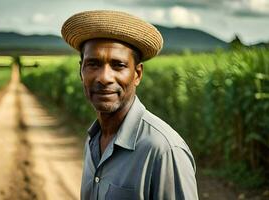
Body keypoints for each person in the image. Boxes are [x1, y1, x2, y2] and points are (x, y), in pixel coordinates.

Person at [61, 10, 198, 200]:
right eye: (93, 64)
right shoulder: (93, 140)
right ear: (81, 71)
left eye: (118, 65)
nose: (104, 77)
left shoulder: (164, 151)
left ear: (137, 74)